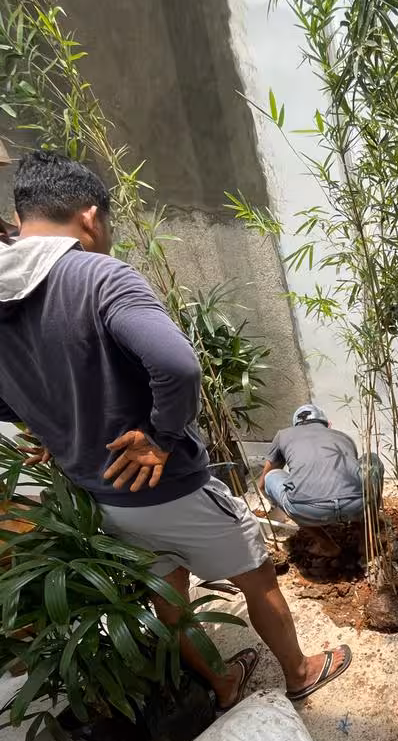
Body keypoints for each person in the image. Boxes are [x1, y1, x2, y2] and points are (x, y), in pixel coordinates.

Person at [0, 151, 350, 704]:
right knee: (256, 574)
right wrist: (161, 436)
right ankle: (301, 672)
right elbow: (179, 364)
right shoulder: (96, 276)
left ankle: (221, 683)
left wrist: (50, 425)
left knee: (169, 589)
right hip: (168, 486)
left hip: (101, 495)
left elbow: (7, 402)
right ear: (90, 217)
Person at [260, 403, 384, 528]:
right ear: (328, 425)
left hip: (307, 510)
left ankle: (326, 545)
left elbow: (263, 483)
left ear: (295, 426)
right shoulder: (344, 437)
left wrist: (274, 501)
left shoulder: (283, 435)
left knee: (271, 476)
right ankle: (367, 536)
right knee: (372, 459)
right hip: (357, 504)